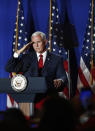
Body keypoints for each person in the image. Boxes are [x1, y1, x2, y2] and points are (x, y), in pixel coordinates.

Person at [5, 31, 68, 105]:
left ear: (45, 42)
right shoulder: (26, 58)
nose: (36, 45)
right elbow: (9, 68)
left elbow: (63, 76)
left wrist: (60, 80)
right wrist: (18, 52)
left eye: (38, 42)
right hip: (28, 99)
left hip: (48, 99)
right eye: (34, 43)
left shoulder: (56, 59)